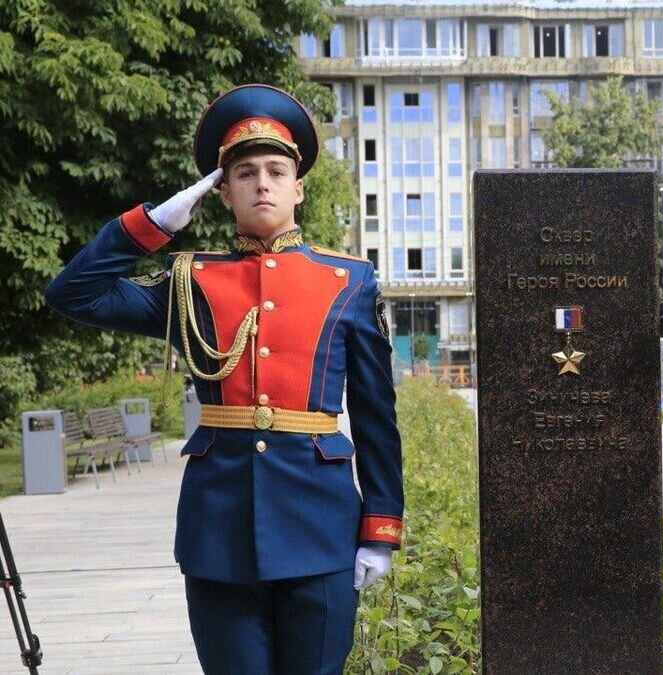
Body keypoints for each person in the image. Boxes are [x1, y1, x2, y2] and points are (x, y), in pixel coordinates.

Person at [45, 84, 405, 674]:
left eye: (275, 170)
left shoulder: (349, 282)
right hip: (221, 530)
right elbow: (72, 293)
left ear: (299, 187)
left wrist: (381, 528)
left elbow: (375, 419)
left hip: (320, 523)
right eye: (243, 173)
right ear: (222, 193)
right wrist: (153, 225)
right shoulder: (191, 282)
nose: (262, 183)